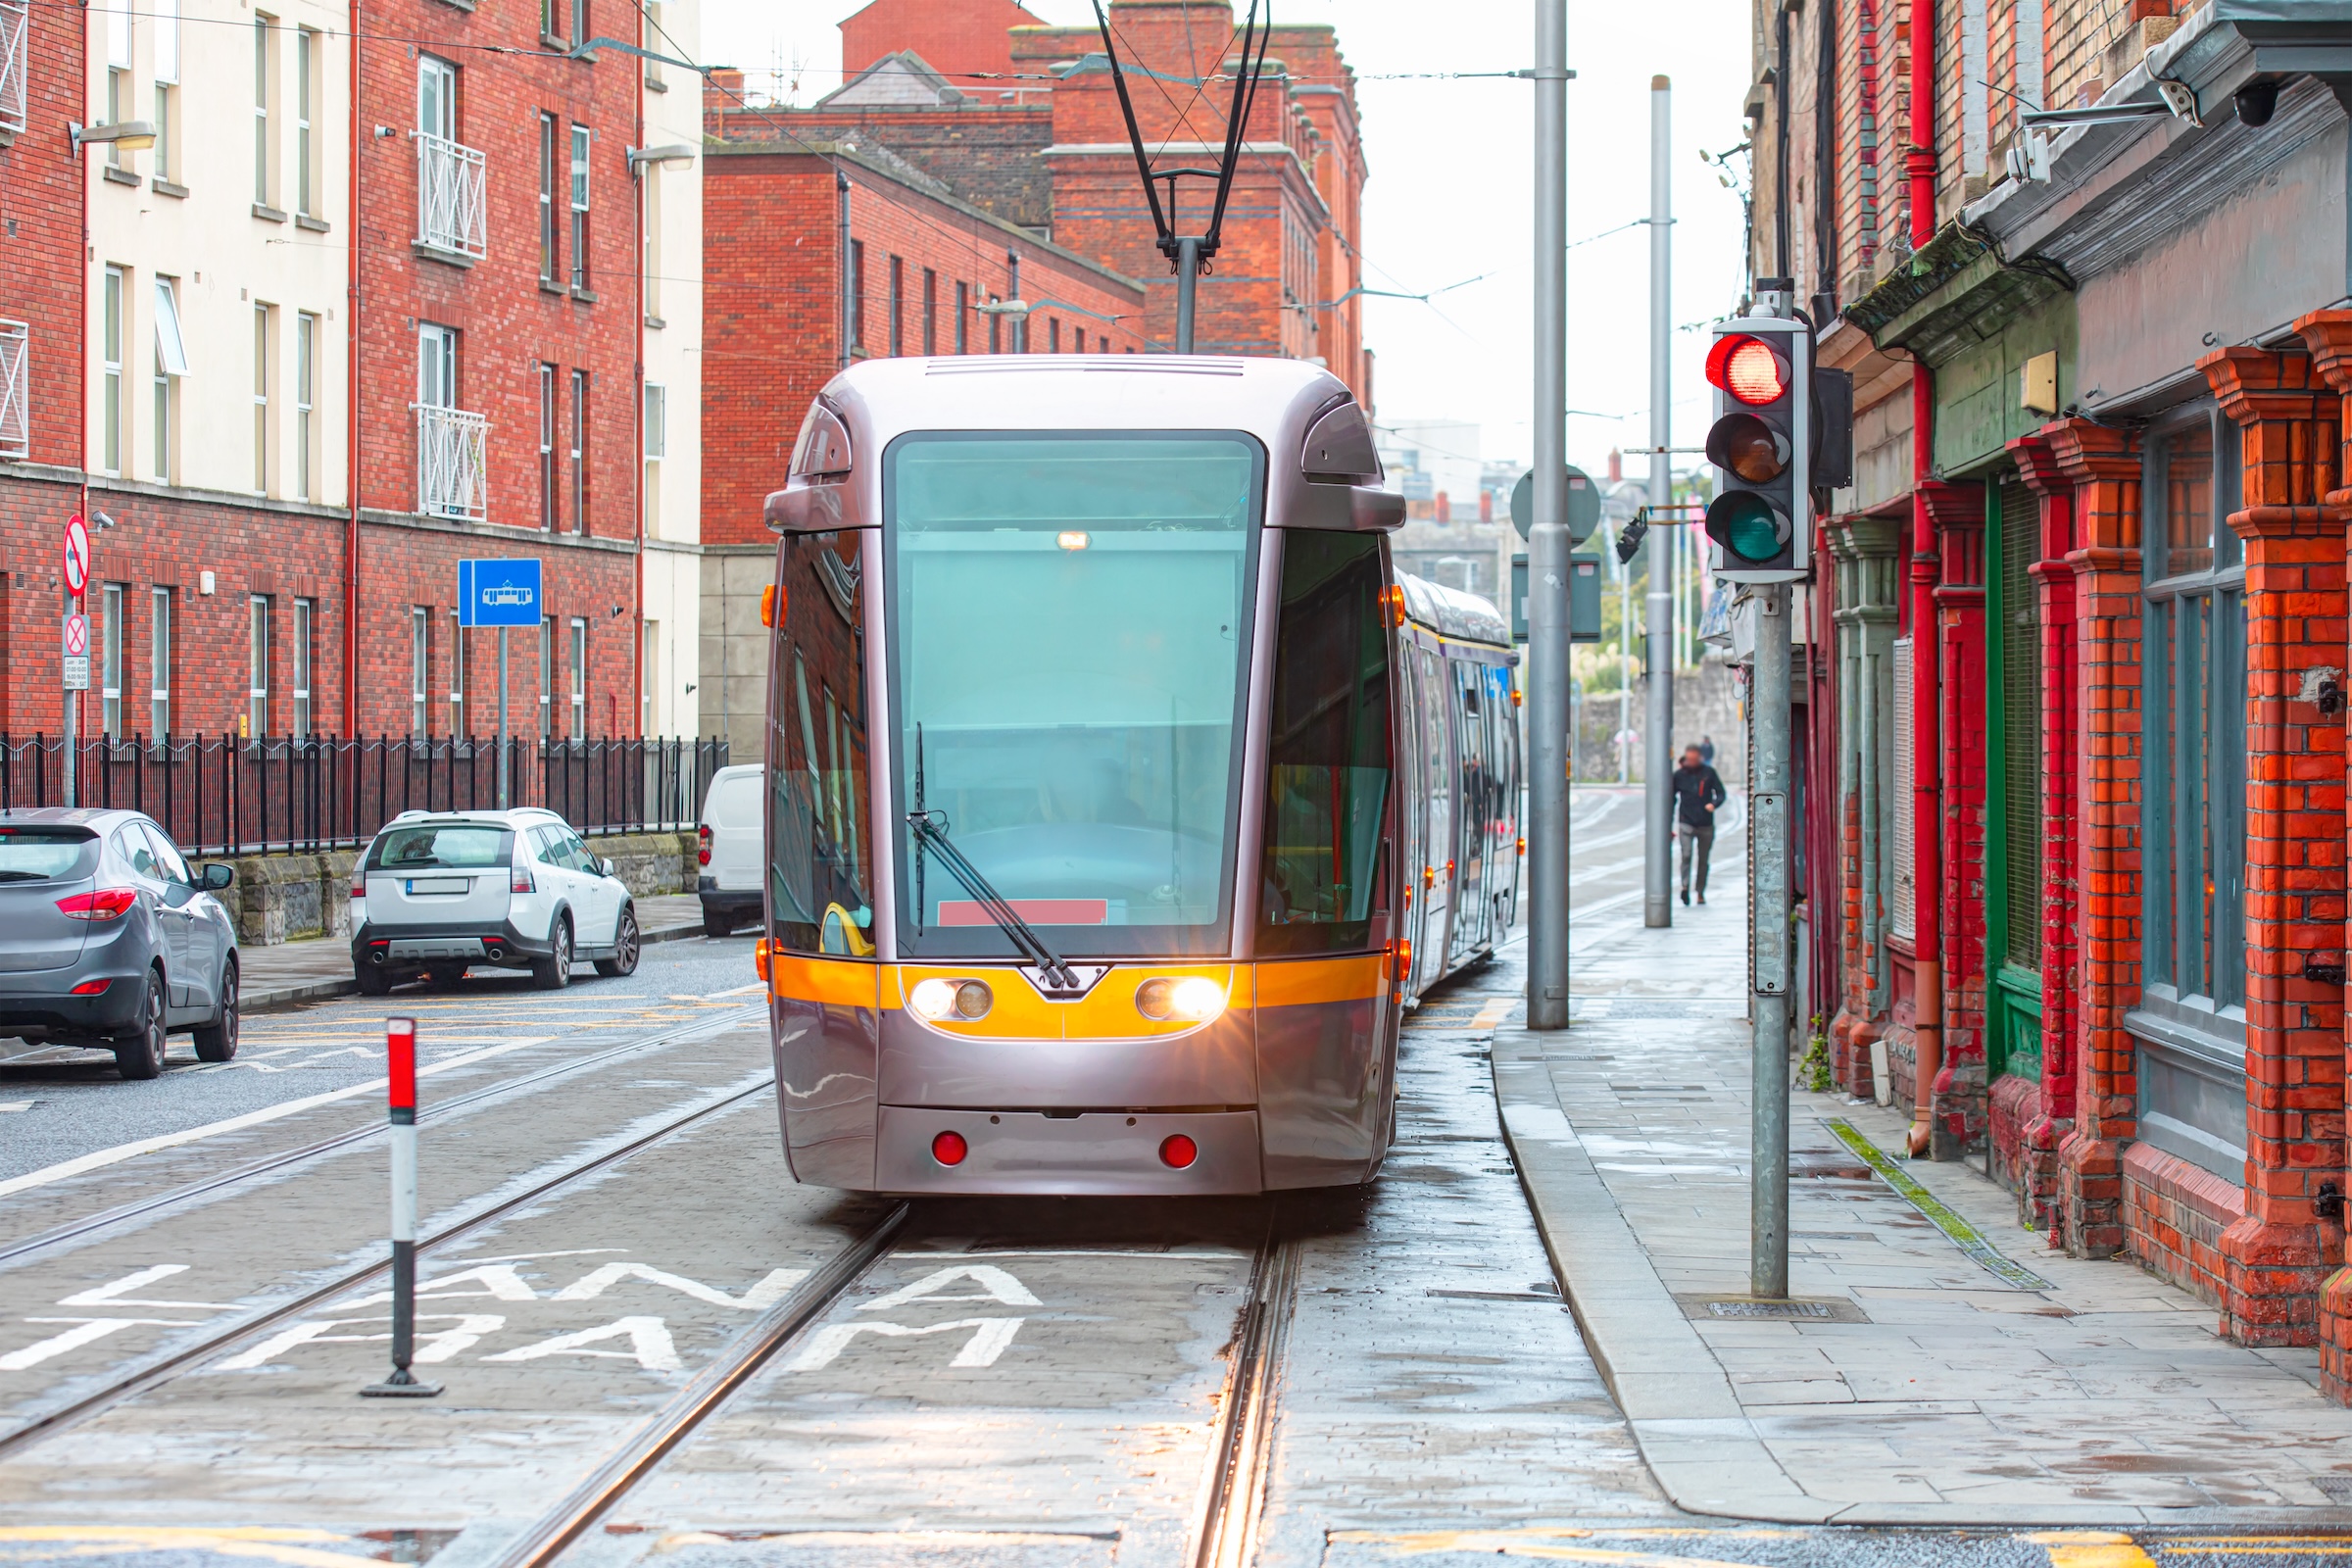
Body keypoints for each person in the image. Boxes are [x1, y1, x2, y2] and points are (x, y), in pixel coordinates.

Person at [1670, 743, 1727, 906]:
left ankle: (1700, 891)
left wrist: (1714, 804)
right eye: (1689, 759)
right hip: (1686, 822)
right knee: (1686, 855)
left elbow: (1721, 793)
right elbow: (1671, 799)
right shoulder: (1679, 775)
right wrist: (1668, 825)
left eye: (1694, 759)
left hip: (1705, 824)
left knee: (1703, 860)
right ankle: (1685, 886)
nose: (1692, 762)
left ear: (1700, 758)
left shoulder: (1709, 773)